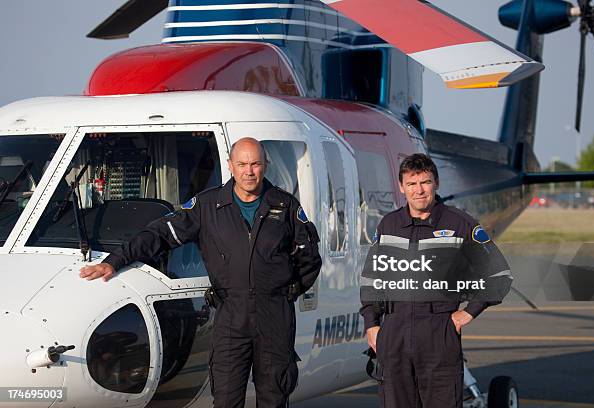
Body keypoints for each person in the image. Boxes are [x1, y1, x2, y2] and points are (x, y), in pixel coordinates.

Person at [80, 137, 322, 408]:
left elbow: (309, 259)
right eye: (242, 164)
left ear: (265, 165)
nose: (249, 171)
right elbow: (160, 234)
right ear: (230, 165)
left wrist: (285, 292)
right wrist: (116, 260)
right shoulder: (207, 206)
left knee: (274, 397)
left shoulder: (285, 206)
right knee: (226, 397)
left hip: (274, 316)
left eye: (255, 164)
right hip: (231, 316)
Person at [360, 153, 512, 408]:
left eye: (425, 182)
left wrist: (467, 314)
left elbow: (499, 276)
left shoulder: (460, 224)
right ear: (401, 187)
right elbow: (372, 280)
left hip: (438, 333)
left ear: (436, 183)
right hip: (394, 333)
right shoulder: (389, 225)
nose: (419, 191)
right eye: (411, 184)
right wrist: (372, 325)